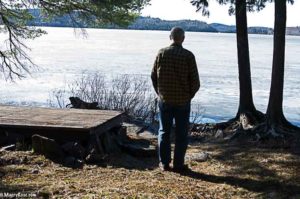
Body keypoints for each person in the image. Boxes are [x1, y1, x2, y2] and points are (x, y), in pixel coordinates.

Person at [151, 27, 200, 172]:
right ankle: (178, 164)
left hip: (165, 100)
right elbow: (196, 82)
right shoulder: (188, 56)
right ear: (183, 38)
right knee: (181, 133)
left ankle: (164, 163)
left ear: (170, 37)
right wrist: (188, 96)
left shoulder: (161, 53)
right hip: (182, 101)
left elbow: (153, 76)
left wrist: (160, 93)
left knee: (164, 132)